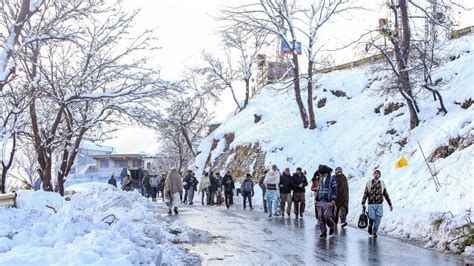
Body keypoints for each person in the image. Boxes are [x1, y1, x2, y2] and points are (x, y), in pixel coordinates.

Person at [362, 169, 393, 238]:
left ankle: (374, 232)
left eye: (378, 173)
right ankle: (370, 225)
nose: (376, 174)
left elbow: (386, 194)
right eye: (375, 173)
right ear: (373, 175)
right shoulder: (369, 183)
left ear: (379, 175)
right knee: (372, 217)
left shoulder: (382, 184)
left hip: (379, 204)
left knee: (379, 218)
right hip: (371, 204)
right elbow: (365, 193)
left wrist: (390, 204)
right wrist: (363, 202)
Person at [315, 165, 337, 238]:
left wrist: (333, 199)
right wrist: (316, 199)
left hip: (328, 201)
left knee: (327, 216)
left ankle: (331, 226)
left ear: (324, 172)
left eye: (320, 173)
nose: (319, 174)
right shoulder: (320, 179)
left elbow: (335, 190)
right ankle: (323, 232)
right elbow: (318, 190)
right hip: (320, 201)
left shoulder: (332, 179)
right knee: (320, 217)